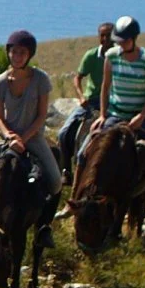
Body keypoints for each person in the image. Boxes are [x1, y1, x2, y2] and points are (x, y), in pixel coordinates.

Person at [0, 30, 63, 246]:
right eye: (13, 52)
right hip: (3, 136)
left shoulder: (40, 80)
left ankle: (44, 227)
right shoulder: (0, 82)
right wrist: (9, 136)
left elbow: (41, 115)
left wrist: (23, 138)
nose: (17, 57)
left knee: (55, 182)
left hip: (33, 136)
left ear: (29, 55)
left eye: (22, 53)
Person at [86, 15, 145, 240]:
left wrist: (141, 116)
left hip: (142, 116)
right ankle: (78, 199)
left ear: (134, 39)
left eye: (124, 41)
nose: (120, 45)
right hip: (116, 114)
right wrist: (102, 115)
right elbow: (105, 87)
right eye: (118, 41)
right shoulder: (111, 56)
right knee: (85, 150)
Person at [58, 22, 115, 184]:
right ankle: (66, 170)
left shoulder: (119, 56)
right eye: (102, 35)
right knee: (63, 132)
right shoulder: (91, 56)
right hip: (91, 102)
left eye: (108, 35)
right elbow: (78, 77)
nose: (104, 39)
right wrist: (81, 97)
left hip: (112, 104)